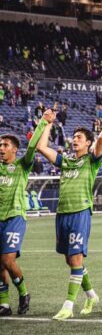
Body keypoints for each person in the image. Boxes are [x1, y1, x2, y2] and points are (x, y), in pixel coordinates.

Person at [37, 108, 102, 320]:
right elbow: (41, 147)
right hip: (62, 214)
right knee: (70, 260)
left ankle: (68, 305)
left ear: (88, 143)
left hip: (80, 213)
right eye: (73, 137)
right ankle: (91, 295)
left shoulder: (92, 160)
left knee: (75, 259)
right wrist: (48, 122)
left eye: (79, 138)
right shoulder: (66, 161)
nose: (74, 140)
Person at [0, 114, 48, 316]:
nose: (1, 148)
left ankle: (23, 293)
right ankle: (4, 304)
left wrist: (43, 122)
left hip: (15, 217)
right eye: (0, 145)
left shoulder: (22, 165)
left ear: (14, 149)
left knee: (8, 259)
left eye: (5, 145)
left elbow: (32, 147)